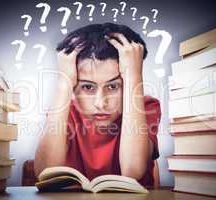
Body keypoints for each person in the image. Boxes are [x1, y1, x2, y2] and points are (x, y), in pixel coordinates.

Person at [34, 23, 161, 187]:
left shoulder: (146, 106)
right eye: (87, 87)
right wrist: (63, 82)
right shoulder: (66, 111)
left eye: (113, 86)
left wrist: (133, 75)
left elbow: (132, 170)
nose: (100, 103)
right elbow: (45, 172)